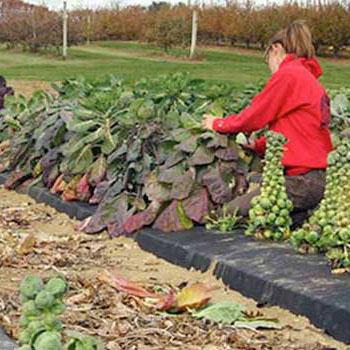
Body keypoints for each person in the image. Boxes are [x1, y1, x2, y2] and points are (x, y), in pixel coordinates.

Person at [202, 20, 333, 225]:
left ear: (276, 49)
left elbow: (253, 117)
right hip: (318, 181)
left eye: (268, 61)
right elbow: (295, 131)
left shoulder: (289, 75)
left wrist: (217, 124)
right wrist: (257, 146)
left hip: (298, 183)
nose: (270, 69)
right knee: (275, 224)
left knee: (224, 217)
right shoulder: (311, 81)